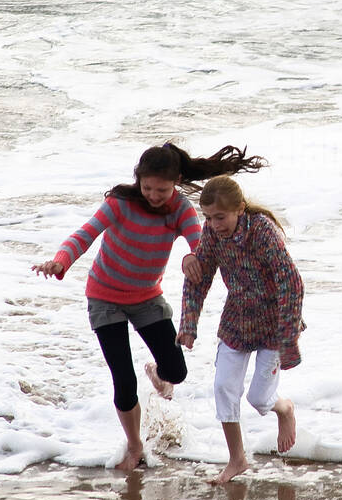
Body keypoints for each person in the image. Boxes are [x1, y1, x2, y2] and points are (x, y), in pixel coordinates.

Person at [33, 144, 266, 471]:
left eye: (162, 189)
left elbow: (200, 243)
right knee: (124, 381)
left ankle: (159, 375)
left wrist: (192, 257)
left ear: (176, 182)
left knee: (177, 372)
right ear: (137, 181)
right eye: (147, 188)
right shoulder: (120, 204)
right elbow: (84, 235)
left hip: (146, 299)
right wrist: (60, 262)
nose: (154, 195)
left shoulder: (180, 209)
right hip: (104, 297)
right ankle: (134, 445)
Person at [177, 175, 305, 484]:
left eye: (220, 217)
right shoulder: (211, 233)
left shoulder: (262, 233)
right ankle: (237, 459)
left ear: (240, 209)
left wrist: (288, 337)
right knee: (223, 387)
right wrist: (188, 324)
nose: (214, 224)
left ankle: (284, 409)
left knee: (259, 399)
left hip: (274, 322)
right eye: (208, 217)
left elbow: (292, 283)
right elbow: (199, 278)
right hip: (237, 319)